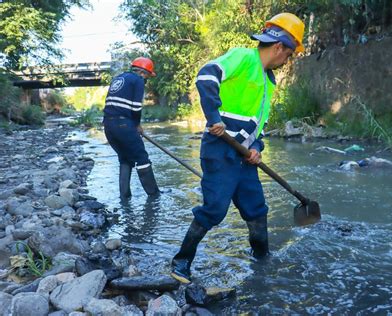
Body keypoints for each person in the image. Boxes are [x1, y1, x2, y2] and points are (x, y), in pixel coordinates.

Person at [170, 13, 305, 284]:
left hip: (244, 156)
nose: (286, 61)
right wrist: (214, 117)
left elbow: (259, 123)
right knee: (215, 209)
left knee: (256, 208)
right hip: (219, 149)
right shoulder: (244, 57)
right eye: (289, 55)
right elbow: (206, 76)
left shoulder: (268, 82)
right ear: (279, 47)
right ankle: (181, 261)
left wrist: (256, 147)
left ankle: (261, 257)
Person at [103, 57, 160, 199]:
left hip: (108, 126)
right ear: (143, 72)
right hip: (124, 124)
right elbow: (135, 107)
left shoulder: (119, 78)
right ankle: (154, 196)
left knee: (125, 159)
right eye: (147, 76)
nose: (147, 79)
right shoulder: (138, 80)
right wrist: (137, 125)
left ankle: (125, 197)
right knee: (142, 158)